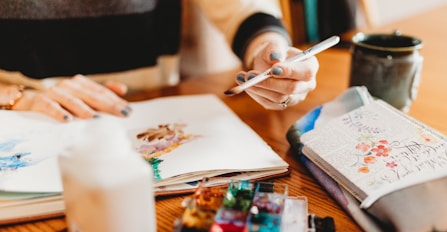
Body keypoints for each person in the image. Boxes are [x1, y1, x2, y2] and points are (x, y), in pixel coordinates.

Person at [0, 0, 319, 122]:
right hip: (23, 120)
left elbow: (244, 9)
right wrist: (17, 98)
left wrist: (268, 48)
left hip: (147, 115)